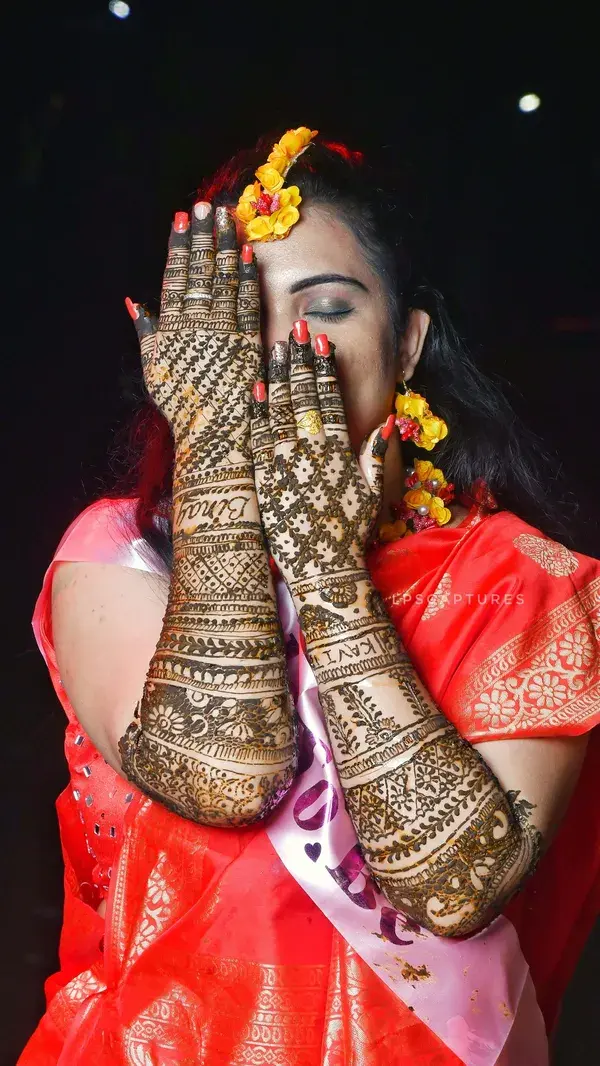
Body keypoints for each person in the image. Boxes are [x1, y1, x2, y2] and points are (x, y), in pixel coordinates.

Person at [19, 128, 600, 1066]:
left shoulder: (521, 582)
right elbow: (226, 773)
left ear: (406, 344)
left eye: (325, 305)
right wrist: (216, 468)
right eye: (235, 318)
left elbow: (457, 885)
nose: (280, 349)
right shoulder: (118, 556)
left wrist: (327, 570)